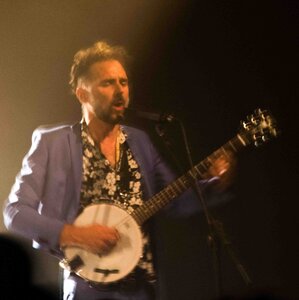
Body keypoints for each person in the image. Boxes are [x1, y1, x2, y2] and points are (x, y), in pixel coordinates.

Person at [3, 40, 236, 300]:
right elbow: (14, 213)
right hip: (85, 286)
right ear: (83, 94)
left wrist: (216, 181)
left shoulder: (140, 142)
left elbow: (177, 201)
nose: (120, 90)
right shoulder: (53, 142)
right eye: (107, 83)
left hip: (140, 288)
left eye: (123, 82)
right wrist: (74, 234)